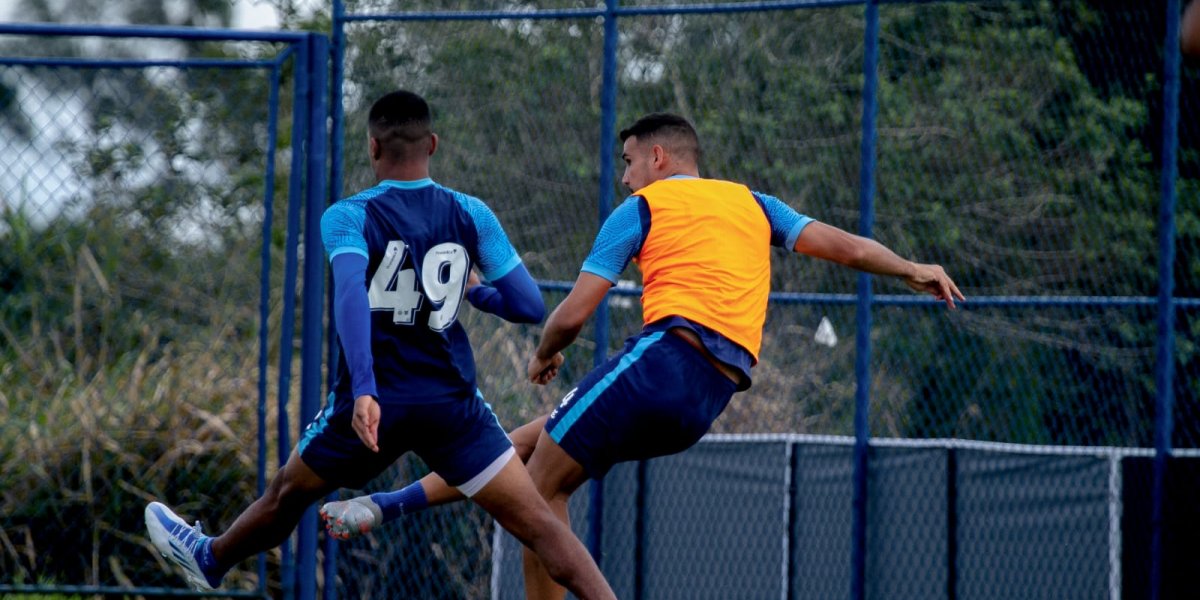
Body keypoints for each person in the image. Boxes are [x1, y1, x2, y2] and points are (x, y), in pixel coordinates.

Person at [320, 112, 965, 599]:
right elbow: (846, 247)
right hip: (709, 394)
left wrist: (546, 353)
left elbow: (572, 313)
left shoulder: (642, 207)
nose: (624, 175)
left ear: (657, 157)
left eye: (628, 161)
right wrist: (911, 267)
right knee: (520, 446)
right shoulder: (753, 204)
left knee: (538, 491)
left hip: (663, 361)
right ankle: (383, 506)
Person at [144, 90, 616, 600]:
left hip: (372, 408)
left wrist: (365, 389)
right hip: (452, 408)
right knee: (543, 529)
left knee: (284, 497)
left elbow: (350, 294)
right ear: (432, 144)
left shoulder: (347, 216)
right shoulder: (471, 213)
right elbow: (528, 304)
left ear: (373, 148)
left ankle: (210, 557)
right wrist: (476, 293)